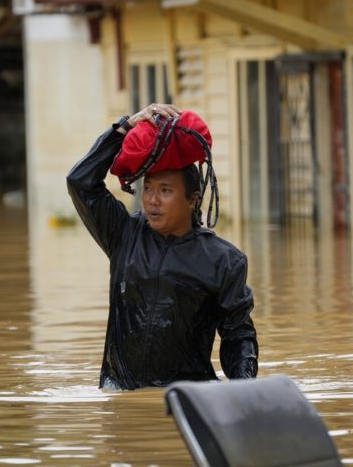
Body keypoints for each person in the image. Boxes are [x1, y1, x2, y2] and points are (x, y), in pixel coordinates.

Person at [67, 103, 258, 390]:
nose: (152, 200)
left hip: (187, 398)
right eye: (149, 188)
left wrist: (245, 390)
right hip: (120, 396)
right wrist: (123, 129)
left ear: (193, 199)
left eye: (165, 191)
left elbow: (238, 336)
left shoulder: (224, 261)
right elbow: (80, 182)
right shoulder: (124, 235)